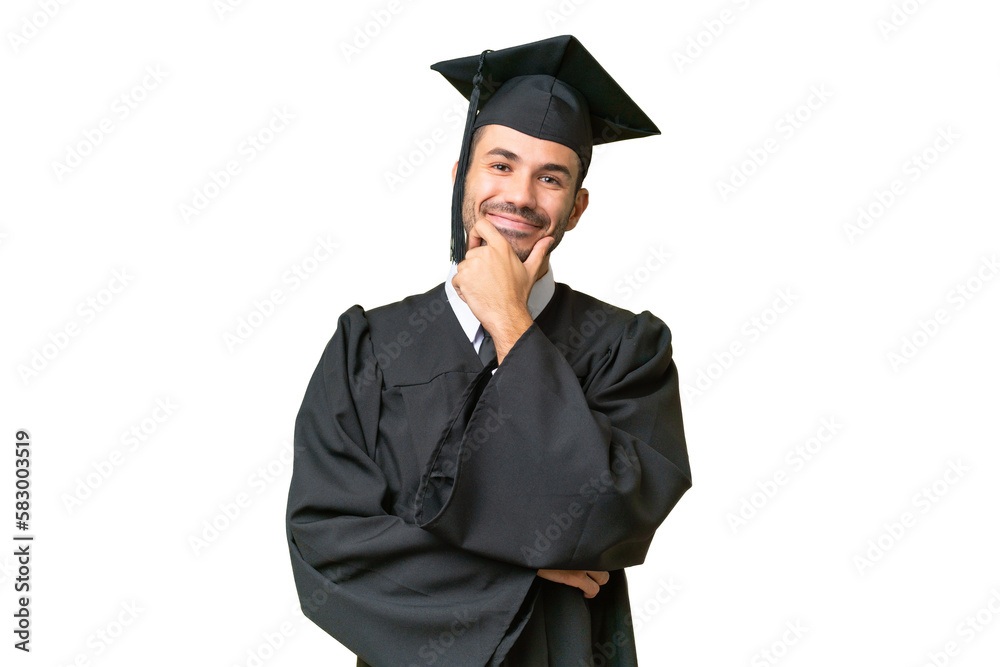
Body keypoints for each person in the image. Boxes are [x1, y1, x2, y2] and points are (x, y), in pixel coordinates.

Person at [285, 34, 692, 666]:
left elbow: (612, 514)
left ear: (577, 208)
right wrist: (526, 572)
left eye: (550, 178)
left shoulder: (627, 349)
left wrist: (508, 318)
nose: (522, 197)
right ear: (461, 178)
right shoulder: (368, 347)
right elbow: (328, 543)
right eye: (500, 165)